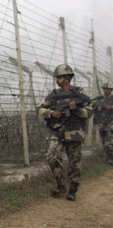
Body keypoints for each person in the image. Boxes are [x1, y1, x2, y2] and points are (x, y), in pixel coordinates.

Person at [38, 64, 92, 201]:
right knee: (52, 157)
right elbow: (39, 109)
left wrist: (76, 110)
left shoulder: (80, 93)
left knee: (74, 162)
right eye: (56, 78)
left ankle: (72, 189)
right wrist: (51, 113)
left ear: (68, 78)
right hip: (57, 131)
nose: (57, 80)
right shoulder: (54, 95)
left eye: (60, 78)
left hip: (74, 132)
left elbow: (88, 112)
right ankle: (61, 184)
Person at [93, 82, 113, 165]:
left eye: (107, 89)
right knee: (104, 141)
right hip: (101, 123)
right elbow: (95, 110)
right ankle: (108, 156)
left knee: (109, 140)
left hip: (110, 122)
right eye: (105, 89)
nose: (106, 90)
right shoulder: (99, 99)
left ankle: (110, 158)